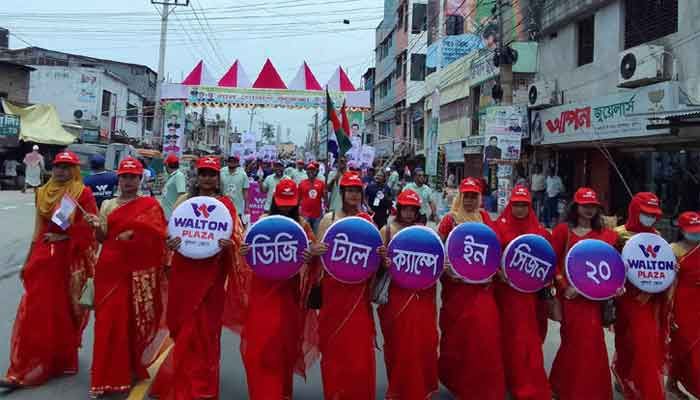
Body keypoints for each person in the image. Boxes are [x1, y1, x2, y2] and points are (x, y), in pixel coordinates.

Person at [0, 151, 97, 390]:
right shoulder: (42, 193)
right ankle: (24, 367)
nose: (61, 171)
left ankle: (58, 361)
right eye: (58, 166)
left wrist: (66, 235)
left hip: (69, 260)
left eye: (66, 167)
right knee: (36, 309)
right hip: (44, 258)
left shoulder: (81, 193)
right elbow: (38, 229)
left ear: (74, 170)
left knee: (61, 311)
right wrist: (27, 260)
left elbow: (91, 229)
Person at [149, 156, 241, 399]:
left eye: (212, 174)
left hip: (211, 276)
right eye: (203, 173)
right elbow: (171, 235)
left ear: (217, 178)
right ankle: (180, 378)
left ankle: (202, 386)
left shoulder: (226, 205)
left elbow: (238, 240)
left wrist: (230, 244)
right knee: (183, 327)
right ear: (197, 177)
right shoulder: (184, 202)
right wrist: (171, 243)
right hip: (184, 272)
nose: (207, 178)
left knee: (207, 332)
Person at [84, 157, 168, 397]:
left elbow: (159, 235)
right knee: (107, 322)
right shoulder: (108, 205)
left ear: (140, 179)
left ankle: (128, 370)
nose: (128, 181)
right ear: (118, 179)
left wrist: (136, 233)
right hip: (109, 269)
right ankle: (102, 378)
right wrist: (95, 226)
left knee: (131, 322)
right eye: (124, 176)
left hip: (138, 272)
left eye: (133, 177)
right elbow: (102, 238)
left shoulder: (150, 205)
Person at [237, 179, 320, 399]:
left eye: (290, 202)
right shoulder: (261, 222)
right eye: (282, 202)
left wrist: (310, 255)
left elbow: (312, 256)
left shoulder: (302, 225)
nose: (285, 207)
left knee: (283, 345)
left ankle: (281, 391)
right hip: (261, 293)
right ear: (274, 199)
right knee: (260, 345)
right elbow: (246, 259)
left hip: (287, 295)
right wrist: (243, 251)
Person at [436, 177, 506, 399]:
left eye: (473, 195)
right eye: (465, 195)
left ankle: (483, 385)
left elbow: (495, 247)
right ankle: (459, 383)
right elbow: (438, 250)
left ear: (479, 198)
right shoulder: (450, 220)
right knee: (459, 337)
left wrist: (496, 270)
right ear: (460, 196)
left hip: (483, 289)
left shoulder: (484, 217)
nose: (469, 199)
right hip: (458, 291)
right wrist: (447, 270)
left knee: (485, 334)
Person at [316, 171, 383, 399]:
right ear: (342, 193)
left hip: (358, 294)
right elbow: (319, 257)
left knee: (359, 352)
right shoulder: (329, 219)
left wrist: (381, 255)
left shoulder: (368, 221)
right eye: (349, 190)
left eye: (357, 191)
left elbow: (374, 260)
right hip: (333, 293)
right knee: (334, 348)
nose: (353, 195)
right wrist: (317, 251)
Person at [549, 187, 620, 399]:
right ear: (576, 207)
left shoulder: (606, 235)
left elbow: (614, 265)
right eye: (585, 205)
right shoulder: (563, 231)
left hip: (595, 300)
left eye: (593, 206)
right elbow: (552, 263)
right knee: (572, 342)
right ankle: (563, 386)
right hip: (571, 299)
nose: (589, 210)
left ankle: (593, 391)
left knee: (594, 343)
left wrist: (616, 285)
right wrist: (563, 286)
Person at [377, 189, 439, 399]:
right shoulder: (386, 230)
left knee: (423, 341)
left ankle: (420, 387)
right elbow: (374, 263)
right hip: (396, 296)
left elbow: (436, 262)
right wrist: (383, 262)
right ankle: (399, 388)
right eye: (406, 208)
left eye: (413, 209)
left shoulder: (427, 232)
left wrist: (444, 264)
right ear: (399, 209)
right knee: (399, 342)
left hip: (422, 296)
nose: (409, 213)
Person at [494, 185, 552, 400]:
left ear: (530, 206)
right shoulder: (498, 227)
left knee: (527, 340)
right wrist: (498, 273)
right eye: (516, 204)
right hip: (504, 294)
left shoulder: (539, 231)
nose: (519, 209)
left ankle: (526, 383)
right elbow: (490, 256)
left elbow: (549, 262)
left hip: (529, 297)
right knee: (504, 338)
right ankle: (506, 380)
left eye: (524, 205)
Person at [612, 192, 667, 400]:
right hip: (623, 296)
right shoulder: (617, 234)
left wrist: (653, 288)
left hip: (647, 299)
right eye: (646, 214)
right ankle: (623, 374)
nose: (650, 218)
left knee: (647, 343)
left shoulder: (658, 237)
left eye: (653, 215)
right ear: (635, 211)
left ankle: (649, 392)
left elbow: (664, 270)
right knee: (625, 340)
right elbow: (607, 266)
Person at [667, 211, 700, 399]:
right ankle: (672, 384)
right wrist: (669, 310)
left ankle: (671, 385)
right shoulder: (672, 249)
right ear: (681, 230)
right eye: (692, 230)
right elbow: (668, 283)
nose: (696, 234)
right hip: (682, 303)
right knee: (682, 347)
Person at [220, 155, 250, 224]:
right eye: (230, 161)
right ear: (227, 162)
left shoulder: (243, 175)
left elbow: (245, 192)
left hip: (237, 208)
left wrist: (246, 207)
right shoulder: (221, 172)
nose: (232, 163)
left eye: (234, 161)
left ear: (237, 163)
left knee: (237, 228)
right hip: (224, 207)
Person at [299, 162, 326, 233]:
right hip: (305, 214)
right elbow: (298, 198)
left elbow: (325, 198)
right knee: (306, 234)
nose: (311, 172)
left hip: (317, 214)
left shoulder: (321, 183)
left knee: (316, 234)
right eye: (309, 170)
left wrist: (325, 193)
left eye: (313, 170)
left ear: (316, 171)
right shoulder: (302, 183)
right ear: (306, 172)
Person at [160, 154, 188, 220]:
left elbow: (182, 195)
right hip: (167, 214)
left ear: (167, 165)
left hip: (172, 215)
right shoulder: (172, 176)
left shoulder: (179, 176)